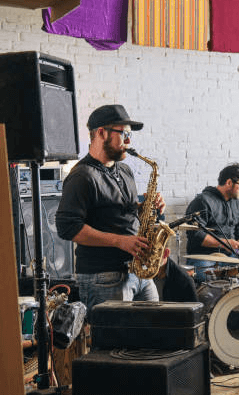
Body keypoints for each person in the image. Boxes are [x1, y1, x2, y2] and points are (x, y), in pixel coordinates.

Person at [56, 104, 166, 315]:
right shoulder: (82, 176)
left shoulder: (124, 170)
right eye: (123, 133)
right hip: (104, 277)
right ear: (101, 133)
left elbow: (121, 214)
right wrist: (119, 240)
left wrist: (147, 208)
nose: (128, 141)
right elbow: (67, 228)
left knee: (155, 334)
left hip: (137, 270)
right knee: (116, 344)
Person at [185, 163, 239, 282]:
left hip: (229, 257)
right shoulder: (202, 201)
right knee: (209, 281)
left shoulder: (237, 204)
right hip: (204, 257)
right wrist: (225, 243)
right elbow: (195, 236)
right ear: (229, 183)